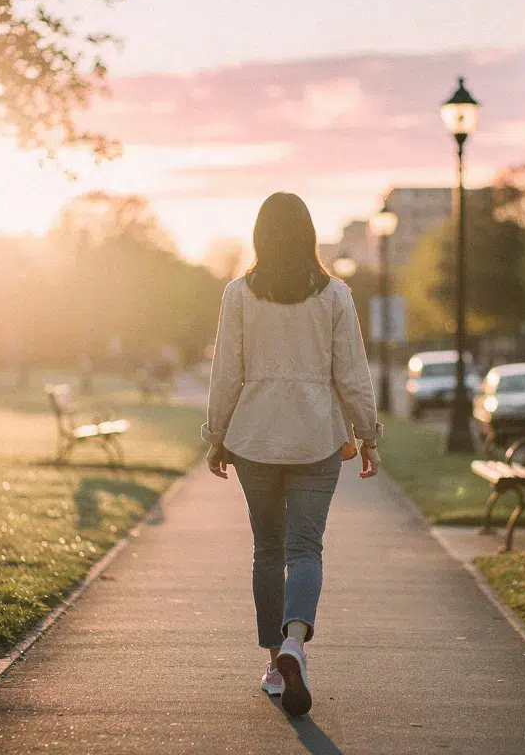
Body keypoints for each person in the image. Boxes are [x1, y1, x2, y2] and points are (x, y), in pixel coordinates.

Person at [202, 192, 382, 717]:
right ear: (308, 235)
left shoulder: (238, 294)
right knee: (305, 548)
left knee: (267, 549)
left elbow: (226, 371)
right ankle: (294, 644)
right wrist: (368, 434)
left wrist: (216, 435)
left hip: (254, 437)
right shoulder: (334, 296)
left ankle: (272, 663)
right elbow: (352, 372)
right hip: (317, 438)